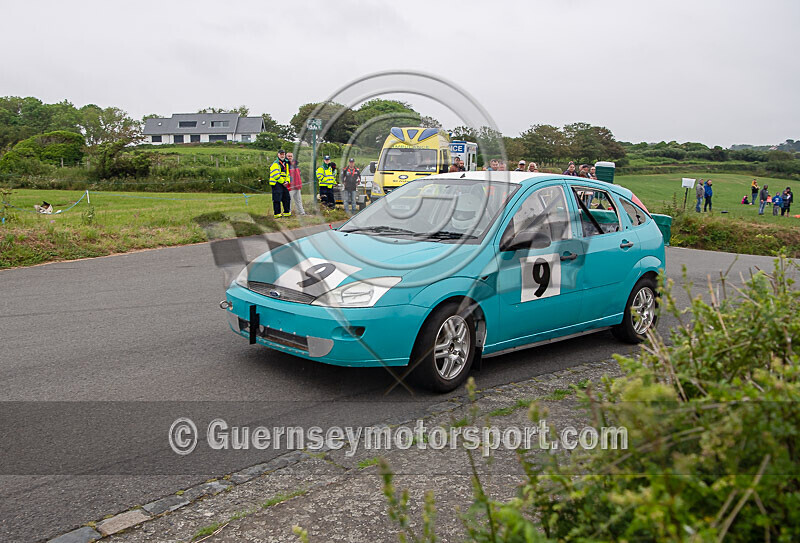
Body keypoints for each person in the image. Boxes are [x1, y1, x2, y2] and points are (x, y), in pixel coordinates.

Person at [269, 149, 291, 217]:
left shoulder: (286, 163)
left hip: (284, 183)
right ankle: (277, 214)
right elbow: (276, 175)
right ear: (278, 155)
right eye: (281, 154)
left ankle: (287, 213)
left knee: (287, 198)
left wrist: (287, 181)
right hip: (276, 183)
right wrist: (283, 182)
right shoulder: (275, 163)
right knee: (277, 199)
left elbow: (288, 174)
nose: (282, 155)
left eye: (283, 154)